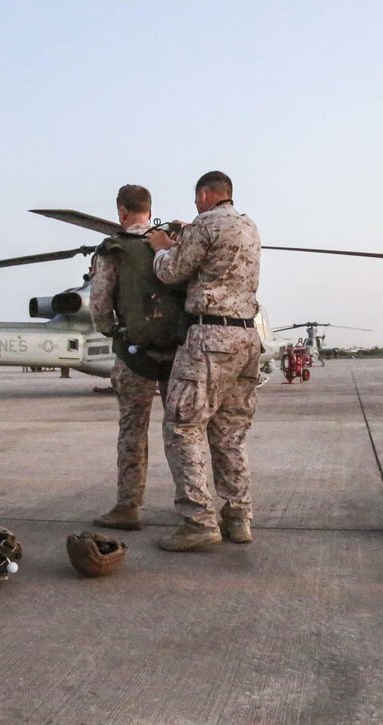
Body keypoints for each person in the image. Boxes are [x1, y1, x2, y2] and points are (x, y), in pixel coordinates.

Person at [147, 171, 262, 551]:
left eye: (197, 200)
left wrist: (162, 246)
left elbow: (170, 272)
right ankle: (238, 517)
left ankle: (198, 521)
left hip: (210, 337)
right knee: (230, 432)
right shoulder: (248, 226)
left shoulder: (205, 223)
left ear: (204, 194)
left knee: (183, 426)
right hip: (247, 338)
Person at [90, 184, 173, 531]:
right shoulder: (171, 246)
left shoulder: (111, 250)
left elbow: (99, 306)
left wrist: (113, 332)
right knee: (183, 432)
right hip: (175, 355)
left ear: (121, 211)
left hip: (133, 355)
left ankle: (128, 507)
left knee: (132, 431)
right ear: (149, 208)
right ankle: (194, 510)